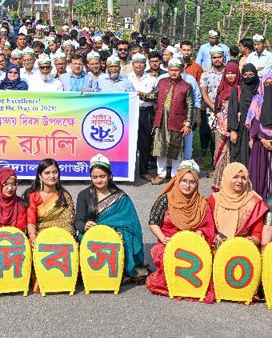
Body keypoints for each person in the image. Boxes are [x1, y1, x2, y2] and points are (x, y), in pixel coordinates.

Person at [145, 160, 216, 301]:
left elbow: (208, 226)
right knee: (165, 260)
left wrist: (201, 232)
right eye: (184, 181)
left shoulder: (202, 203)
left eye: (192, 182)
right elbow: (153, 221)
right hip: (169, 243)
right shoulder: (166, 199)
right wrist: (163, 238)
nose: (187, 185)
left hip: (193, 245)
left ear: (197, 184)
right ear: (177, 180)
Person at [74, 154, 146, 279]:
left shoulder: (120, 197)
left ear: (109, 176)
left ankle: (124, 266)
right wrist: (84, 226)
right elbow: (78, 220)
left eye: (102, 176)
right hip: (92, 235)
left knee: (124, 238)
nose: (99, 180)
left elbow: (131, 225)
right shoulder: (84, 195)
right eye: (95, 177)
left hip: (115, 236)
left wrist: (118, 233)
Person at [147, 58, 194, 183]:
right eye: (171, 70)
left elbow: (190, 106)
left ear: (181, 70)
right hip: (161, 120)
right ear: (168, 70)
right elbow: (153, 95)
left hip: (177, 121)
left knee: (176, 148)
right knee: (159, 147)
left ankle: (175, 175)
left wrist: (188, 123)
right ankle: (161, 175)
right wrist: (141, 95)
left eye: (176, 70)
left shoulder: (186, 86)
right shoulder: (162, 82)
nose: (173, 73)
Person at [208, 163, 266, 248]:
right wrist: (216, 238)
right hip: (218, 249)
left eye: (243, 178)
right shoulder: (214, 199)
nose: (240, 181)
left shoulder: (254, 201)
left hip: (244, 249)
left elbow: (258, 232)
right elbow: (209, 227)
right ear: (227, 178)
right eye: (235, 177)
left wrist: (253, 240)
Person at [247, 73, 272, 198]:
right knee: (260, 172)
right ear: (262, 85)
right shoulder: (257, 100)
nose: (270, 87)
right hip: (260, 142)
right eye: (267, 84)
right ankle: (259, 205)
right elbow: (254, 122)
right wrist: (262, 139)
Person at [23, 159, 76, 241]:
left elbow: (69, 222)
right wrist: (34, 240)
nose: (52, 176)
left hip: (62, 239)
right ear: (40, 176)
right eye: (47, 173)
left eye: (55, 172)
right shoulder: (33, 196)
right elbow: (31, 222)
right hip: (40, 239)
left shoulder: (64, 196)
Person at [211, 62, 241, 191]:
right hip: (221, 127)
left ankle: (233, 183)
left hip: (236, 125)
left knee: (233, 153)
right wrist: (219, 116)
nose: (230, 76)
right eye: (228, 73)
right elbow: (217, 106)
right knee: (221, 152)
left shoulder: (240, 89)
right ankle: (219, 182)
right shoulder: (221, 88)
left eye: (233, 73)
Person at [130, 53, 157, 182]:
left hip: (146, 112)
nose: (139, 65)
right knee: (129, 142)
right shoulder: (126, 78)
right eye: (136, 62)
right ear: (132, 64)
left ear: (145, 65)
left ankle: (144, 171)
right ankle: (128, 171)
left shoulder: (152, 79)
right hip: (129, 112)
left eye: (141, 62)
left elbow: (156, 95)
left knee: (145, 142)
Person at [227, 64, 258, 167]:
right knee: (240, 160)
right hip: (241, 130)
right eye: (245, 75)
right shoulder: (237, 90)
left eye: (251, 74)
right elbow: (232, 111)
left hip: (257, 130)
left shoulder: (260, 91)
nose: (248, 77)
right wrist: (233, 130)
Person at [198, 47, 226, 158]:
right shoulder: (205, 74)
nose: (217, 60)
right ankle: (215, 164)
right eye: (215, 57)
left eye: (219, 57)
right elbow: (204, 94)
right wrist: (214, 107)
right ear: (211, 59)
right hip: (212, 112)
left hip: (228, 111)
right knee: (213, 138)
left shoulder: (229, 73)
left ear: (223, 58)